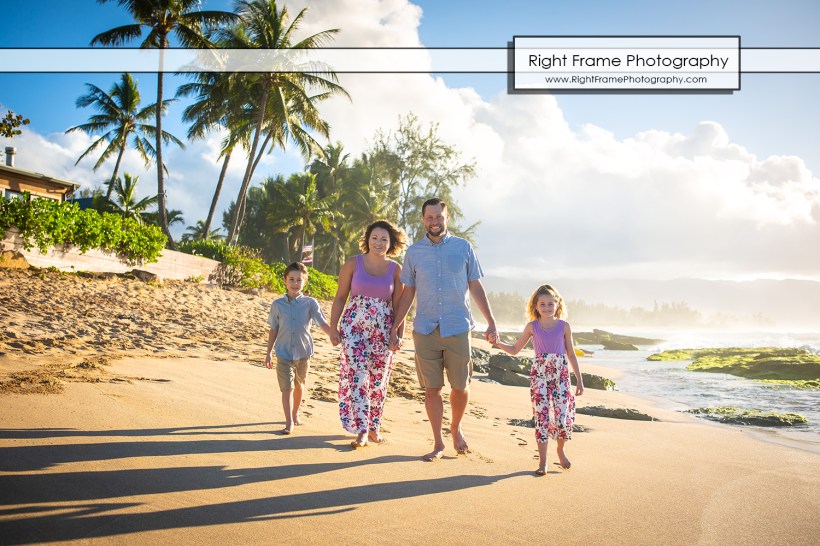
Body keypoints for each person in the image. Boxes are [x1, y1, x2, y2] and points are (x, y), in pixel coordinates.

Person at [389, 197, 498, 461]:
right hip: (425, 329)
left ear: (446, 217)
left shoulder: (463, 247)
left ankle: (456, 427)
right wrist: (395, 326)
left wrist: (491, 321)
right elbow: (408, 293)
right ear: (423, 220)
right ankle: (438, 442)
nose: (434, 222)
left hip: (457, 327)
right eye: (430, 217)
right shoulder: (414, 252)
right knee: (432, 389)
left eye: (439, 217)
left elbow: (475, 286)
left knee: (460, 387)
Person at [492, 284, 584, 475]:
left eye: (550, 304)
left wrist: (579, 380)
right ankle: (543, 463)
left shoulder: (564, 326)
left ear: (557, 304)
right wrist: (498, 343)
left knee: (562, 418)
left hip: (561, 376)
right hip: (539, 376)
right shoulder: (532, 327)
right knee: (542, 417)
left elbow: (571, 354)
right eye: (542, 304)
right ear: (535, 306)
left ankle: (560, 450)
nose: (547, 307)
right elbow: (515, 349)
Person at [331, 220, 407, 448]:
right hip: (353, 330)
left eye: (384, 239)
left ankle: (374, 427)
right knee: (358, 377)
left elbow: (399, 306)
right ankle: (362, 429)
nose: (378, 243)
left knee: (378, 381)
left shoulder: (395, 269)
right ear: (367, 239)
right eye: (375, 238)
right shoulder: (353, 264)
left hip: (383, 332)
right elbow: (340, 297)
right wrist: (333, 327)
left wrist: (398, 335)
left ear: (391, 243)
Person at [265, 262, 337, 435]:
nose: (295, 283)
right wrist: (268, 353)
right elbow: (273, 329)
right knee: (287, 388)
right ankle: (289, 421)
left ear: (305, 282)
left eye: (299, 280)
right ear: (285, 281)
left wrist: (333, 335)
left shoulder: (310, 303)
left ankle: (296, 413)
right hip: (283, 353)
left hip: (304, 353)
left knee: (299, 386)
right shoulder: (277, 305)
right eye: (291, 279)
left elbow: (322, 323)